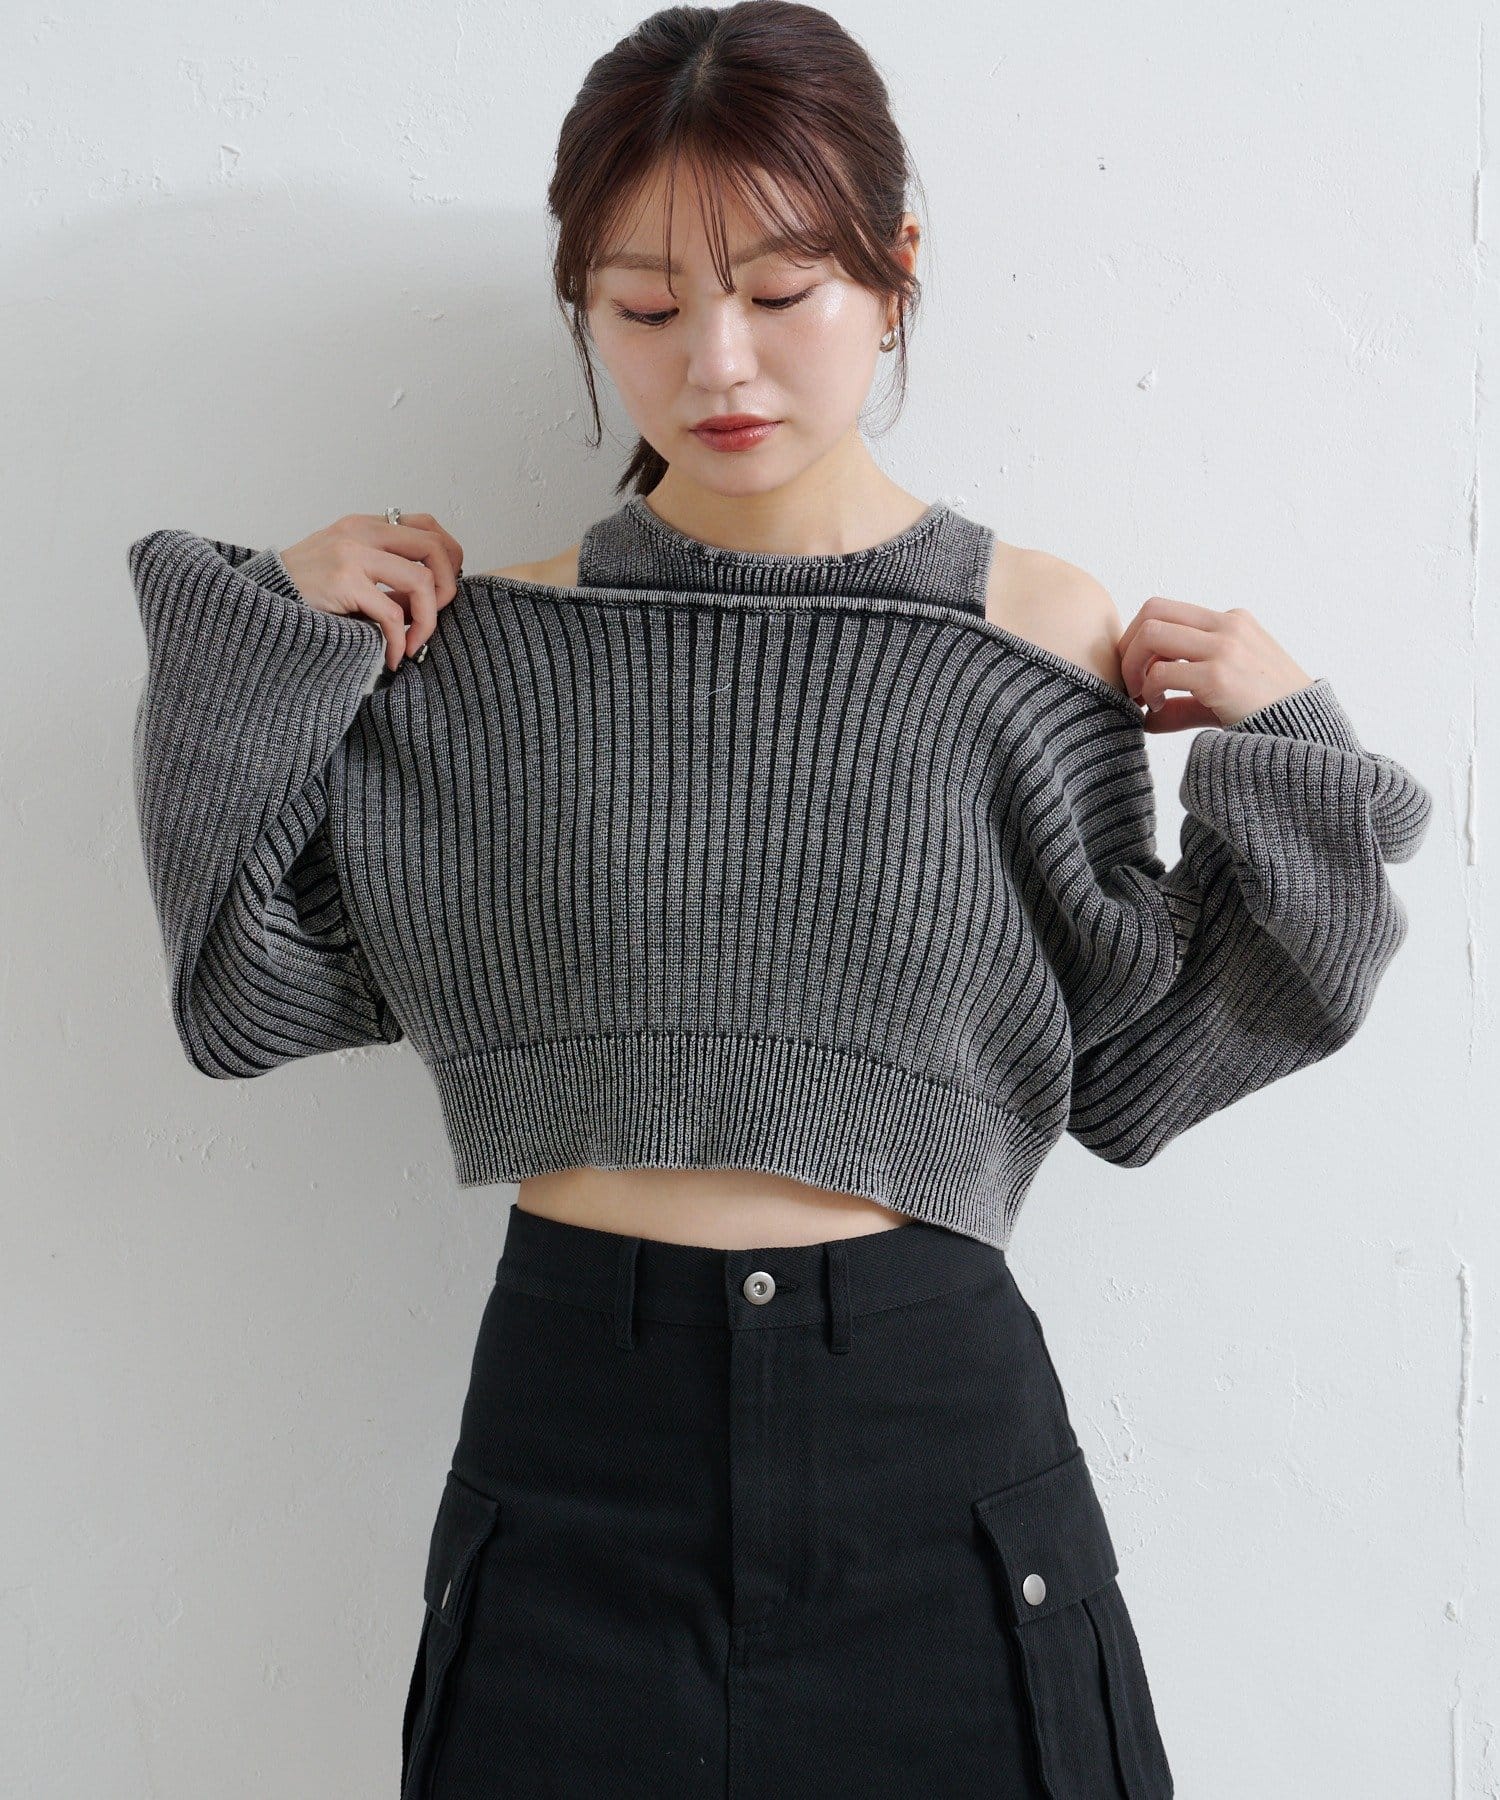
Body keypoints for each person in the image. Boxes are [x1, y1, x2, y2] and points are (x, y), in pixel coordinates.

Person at [125, 5, 1433, 1795]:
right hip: (574, 1462)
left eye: (782, 290)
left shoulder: (1034, 640)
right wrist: (264, 634)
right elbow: (240, 991)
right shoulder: (492, 656)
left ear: (895, 274)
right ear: (583, 307)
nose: (717, 362)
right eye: (646, 308)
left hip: (936, 1461)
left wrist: (1292, 752)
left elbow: (1143, 1075)